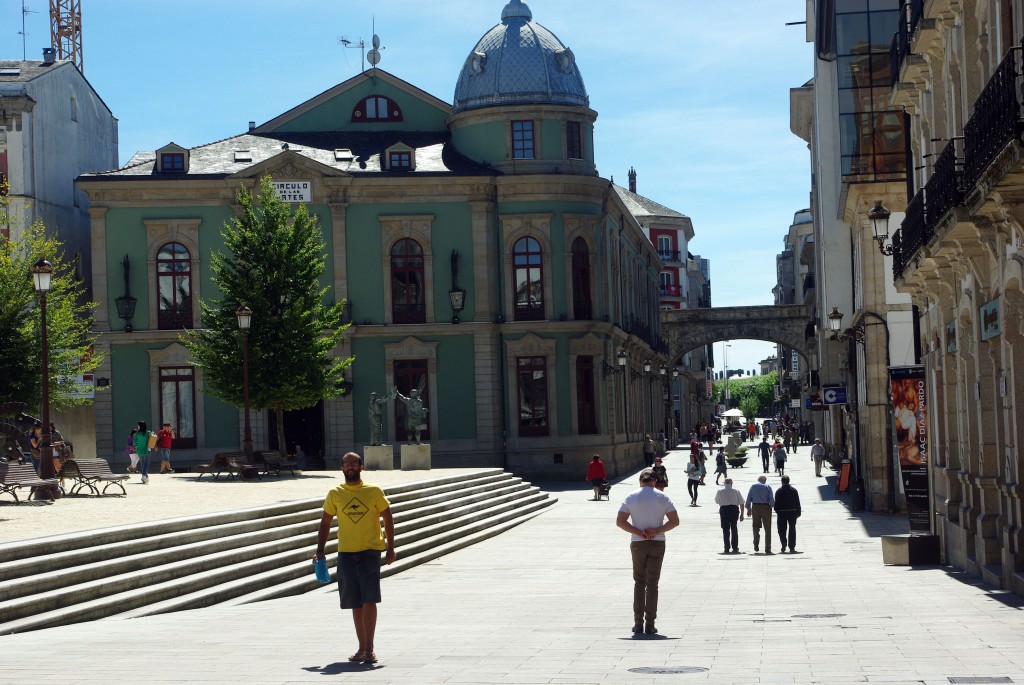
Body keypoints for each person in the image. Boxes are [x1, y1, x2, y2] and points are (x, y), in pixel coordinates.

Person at [314, 453, 396, 665]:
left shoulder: (374, 491)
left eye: (354, 463)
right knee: (354, 601)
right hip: (346, 552)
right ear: (341, 468)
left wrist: (390, 548)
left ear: (361, 467)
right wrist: (320, 550)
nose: (350, 466)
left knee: (369, 598)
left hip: (370, 550)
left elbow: (387, 517)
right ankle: (361, 648)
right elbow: (325, 522)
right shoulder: (335, 493)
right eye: (346, 463)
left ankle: (370, 649)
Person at [616, 468, 679, 636]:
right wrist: (656, 531)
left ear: (640, 481)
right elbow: (674, 521)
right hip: (657, 542)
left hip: (638, 543)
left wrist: (639, 532)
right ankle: (650, 624)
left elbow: (620, 521)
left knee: (639, 582)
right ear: (654, 481)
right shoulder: (663, 497)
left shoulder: (630, 497)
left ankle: (638, 624)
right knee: (652, 583)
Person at [745, 475, 775, 554]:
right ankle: (767, 548)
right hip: (765, 507)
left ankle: (756, 541)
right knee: (767, 528)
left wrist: (748, 508)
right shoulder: (767, 487)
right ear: (765, 480)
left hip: (755, 507)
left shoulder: (753, 486)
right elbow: (771, 499)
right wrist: (771, 506)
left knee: (755, 526)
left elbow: (749, 498)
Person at [715, 478, 745, 554]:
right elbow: (741, 503)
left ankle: (726, 547)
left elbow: (716, 501)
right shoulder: (736, 491)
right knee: (734, 528)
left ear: (724, 483)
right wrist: (742, 514)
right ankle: (735, 547)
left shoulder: (720, 491)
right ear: (732, 483)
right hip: (734, 509)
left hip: (724, 510)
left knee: (725, 529)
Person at [774, 475, 802, 553]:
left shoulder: (779, 491)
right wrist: (798, 512)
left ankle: (783, 543)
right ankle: (792, 546)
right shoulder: (794, 490)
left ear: (782, 481)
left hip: (782, 512)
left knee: (781, 529)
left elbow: (776, 503)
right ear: (788, 481)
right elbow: (797, 502)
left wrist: (777, 511)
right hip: (792, 512)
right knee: (792, 528)